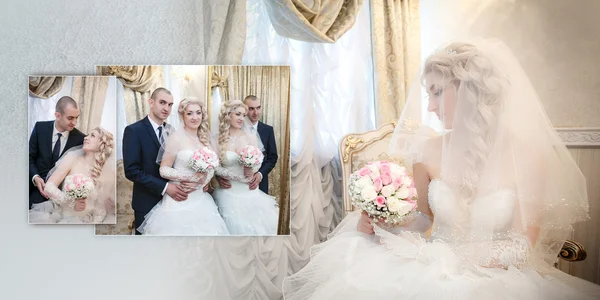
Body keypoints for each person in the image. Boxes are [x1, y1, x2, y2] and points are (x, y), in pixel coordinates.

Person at [282, 38, 600, 299]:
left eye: (437, 92)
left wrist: (452, 259)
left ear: (471, 91)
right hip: (426, 272)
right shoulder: (429, 150)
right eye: (428, 94)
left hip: (498, 280)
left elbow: (521, 246)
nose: (430, 107)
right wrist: (385, 224)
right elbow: (423, 219)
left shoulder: (528, 156)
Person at [137, 97, 229, 236]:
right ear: (182, 116)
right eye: (190, 113)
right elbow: (164, 169)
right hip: (179, 196)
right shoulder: (175, 138)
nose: (195, 117)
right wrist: (191, 178)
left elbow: (212, 167)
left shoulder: (205, 140)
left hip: (201, 199)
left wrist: (203, 181)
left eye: (198, 113)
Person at [122, 88, 205, 235]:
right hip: (147, 200)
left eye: (170, 104)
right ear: (151, 102)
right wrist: (165, 187)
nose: (166, 108)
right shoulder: (134, 130)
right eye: (162, 103)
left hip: (176, 200)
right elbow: (131, 171)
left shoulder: (172, 130)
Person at [211, 100, 279, 235]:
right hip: (228, 192)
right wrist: (226, 176)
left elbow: (259, 162)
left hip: (249, 191)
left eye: (243, 115)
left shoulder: (250, 137)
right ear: (228, 115)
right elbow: (215, 166)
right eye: (238, 114)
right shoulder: (217, 139)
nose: (242, 118)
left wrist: (253, 170)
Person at [29, 127, 115, 224]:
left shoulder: (105, 173)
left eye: (92, 135)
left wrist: (94, 224)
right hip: (63, 216)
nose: (86, 138)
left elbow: (100, 209)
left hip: (86, 220)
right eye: (88, 134)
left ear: (101, 144)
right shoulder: (72, 158)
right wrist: (71, 203)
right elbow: (49, 186)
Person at [29, 96, 85, 209]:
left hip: (62, 194)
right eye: (70, 118)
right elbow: (28, 157)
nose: (74, 122)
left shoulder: (81, 138)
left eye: (76, 118)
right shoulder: (40, 128)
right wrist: (35, 177)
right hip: (35, 188)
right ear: (58, 115)